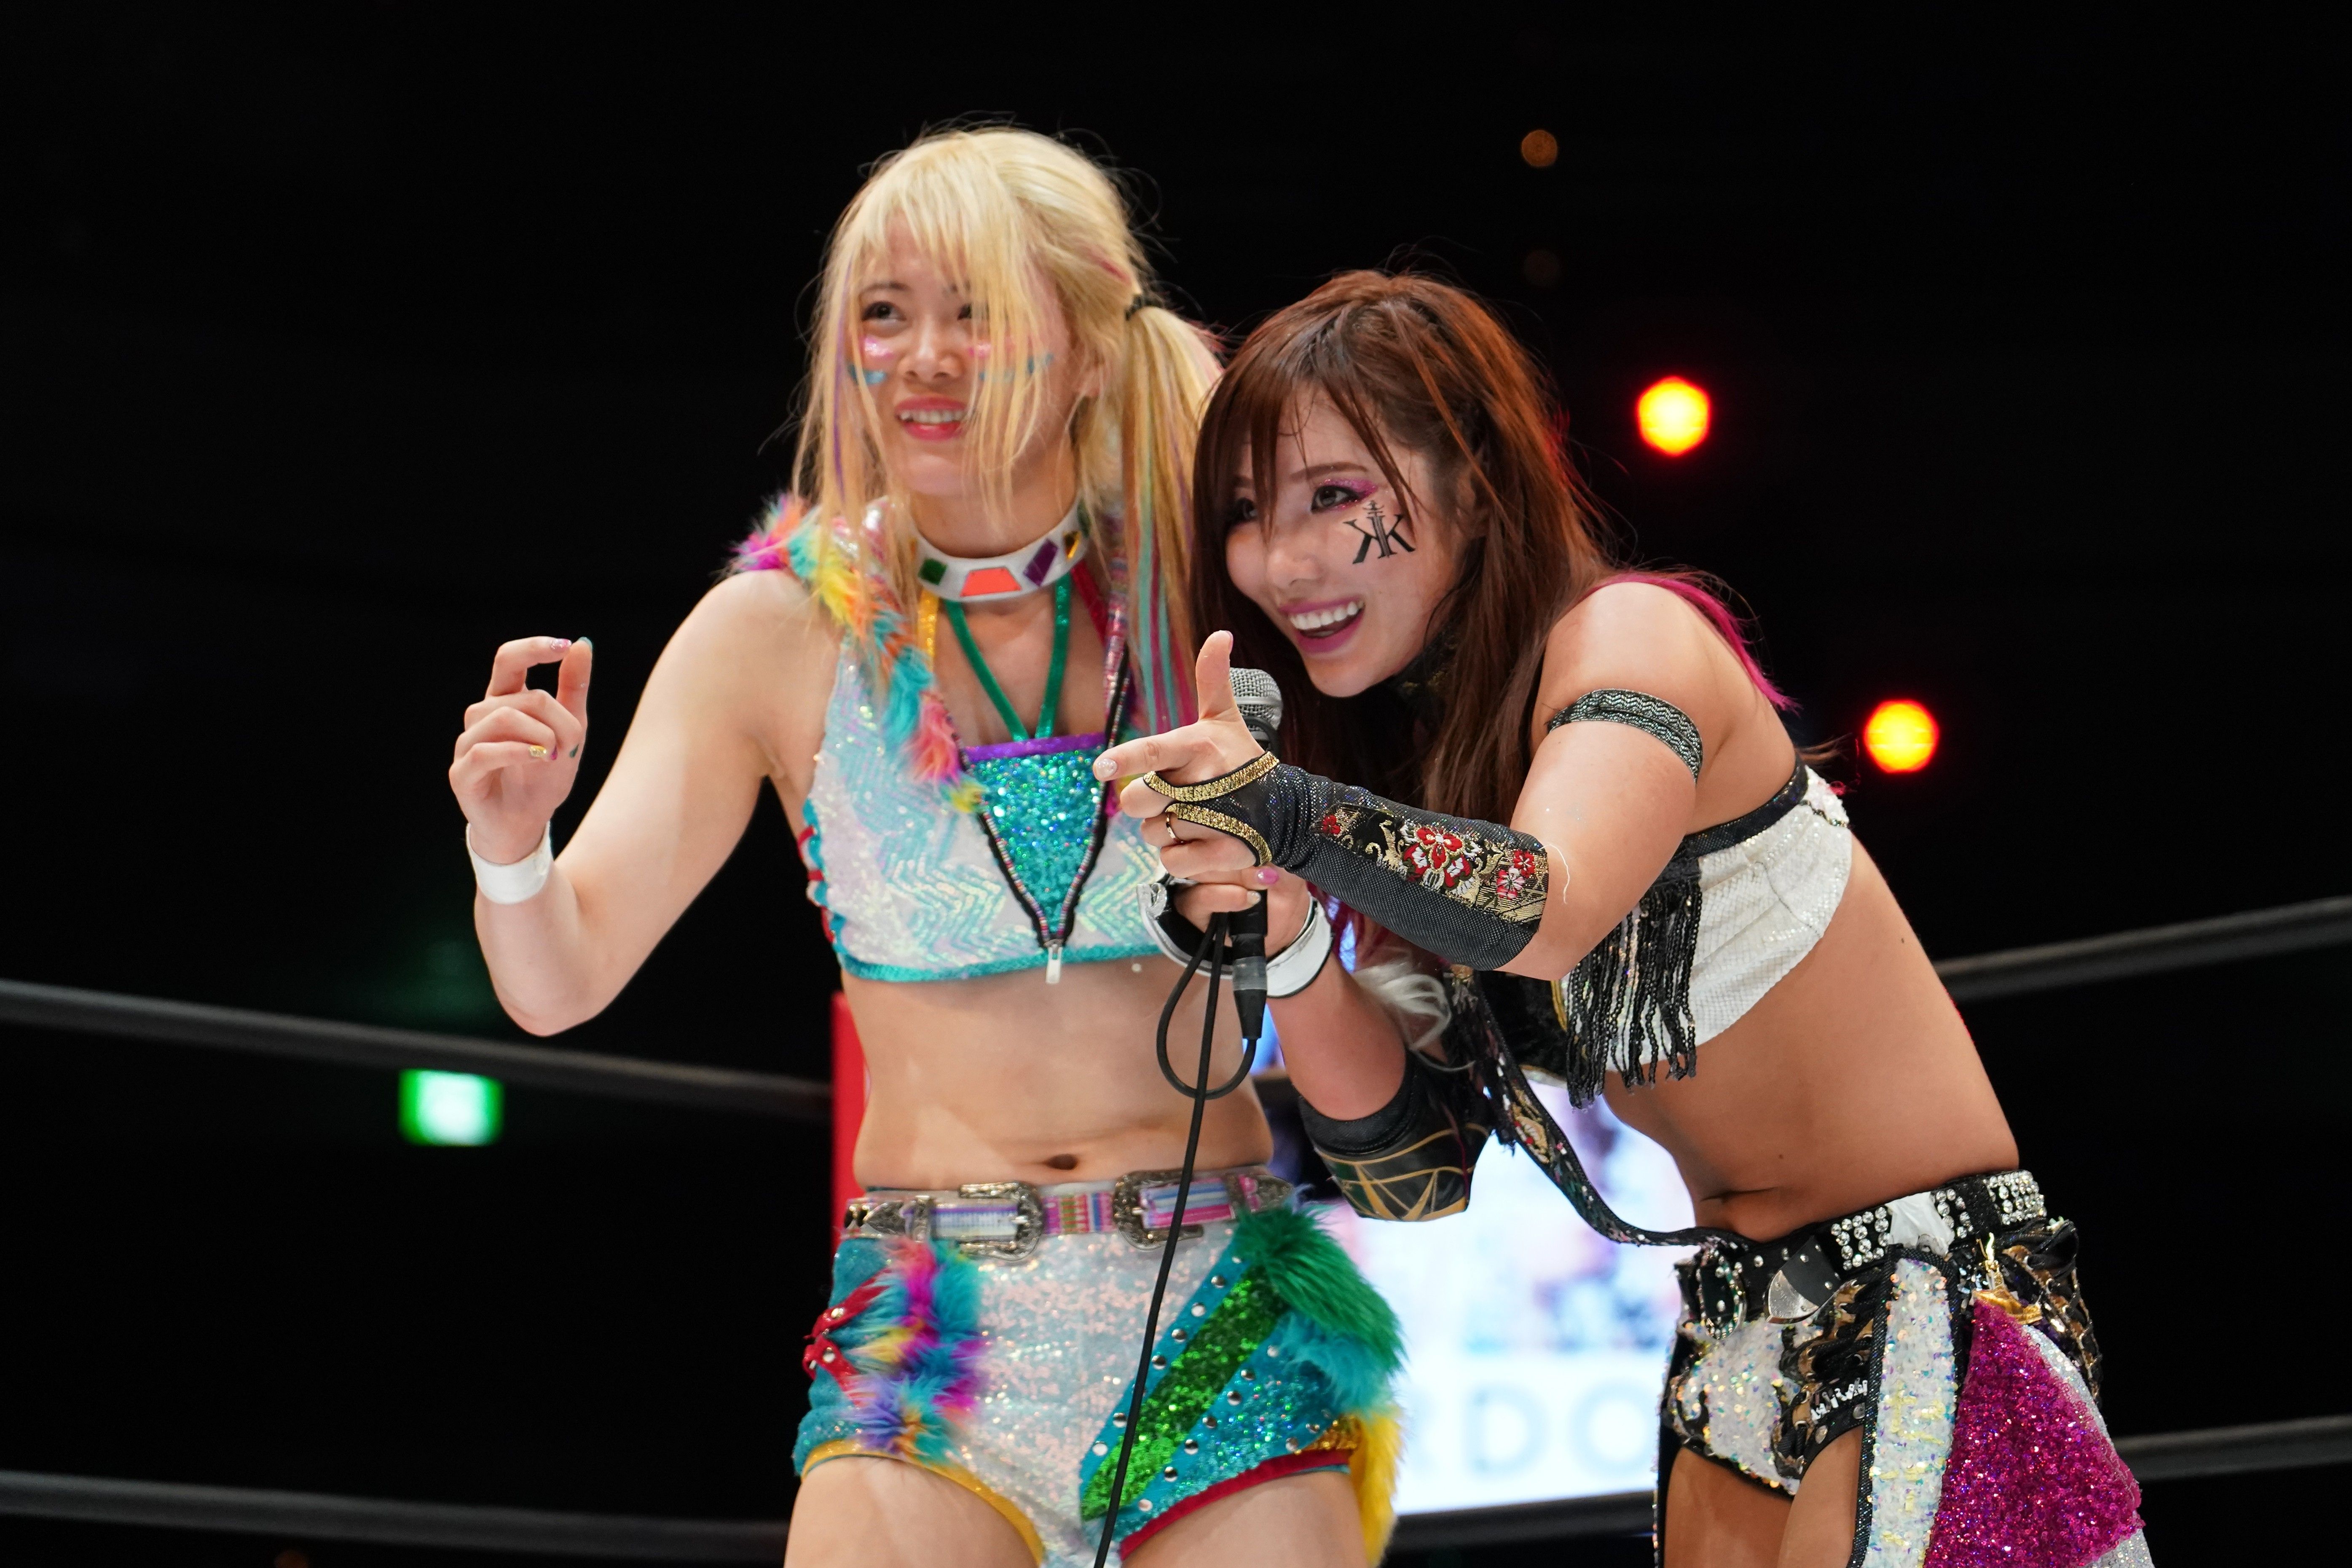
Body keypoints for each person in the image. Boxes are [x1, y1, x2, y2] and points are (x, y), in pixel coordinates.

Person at [445, 132, 1399, 1568]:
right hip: (933, 1328)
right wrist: (511, 841)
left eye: (977, 311)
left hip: (1219, 1304)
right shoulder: (771, 632)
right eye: (885, 314)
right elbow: (555, 980)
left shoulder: (1211, 593)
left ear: (1089, 348)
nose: (924, 358)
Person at [1100, 272, 2150, 1568]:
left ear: (1475, 479)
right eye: (1247, 513)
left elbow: (1550, 901)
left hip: (1929, 1301)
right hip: (1732, 1330)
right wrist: (1288, 926)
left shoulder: (1635, 637)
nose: (1283, 560)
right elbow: (1410, 1172)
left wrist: (1292, 812)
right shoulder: (1433, 786)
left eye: (1332, 496)